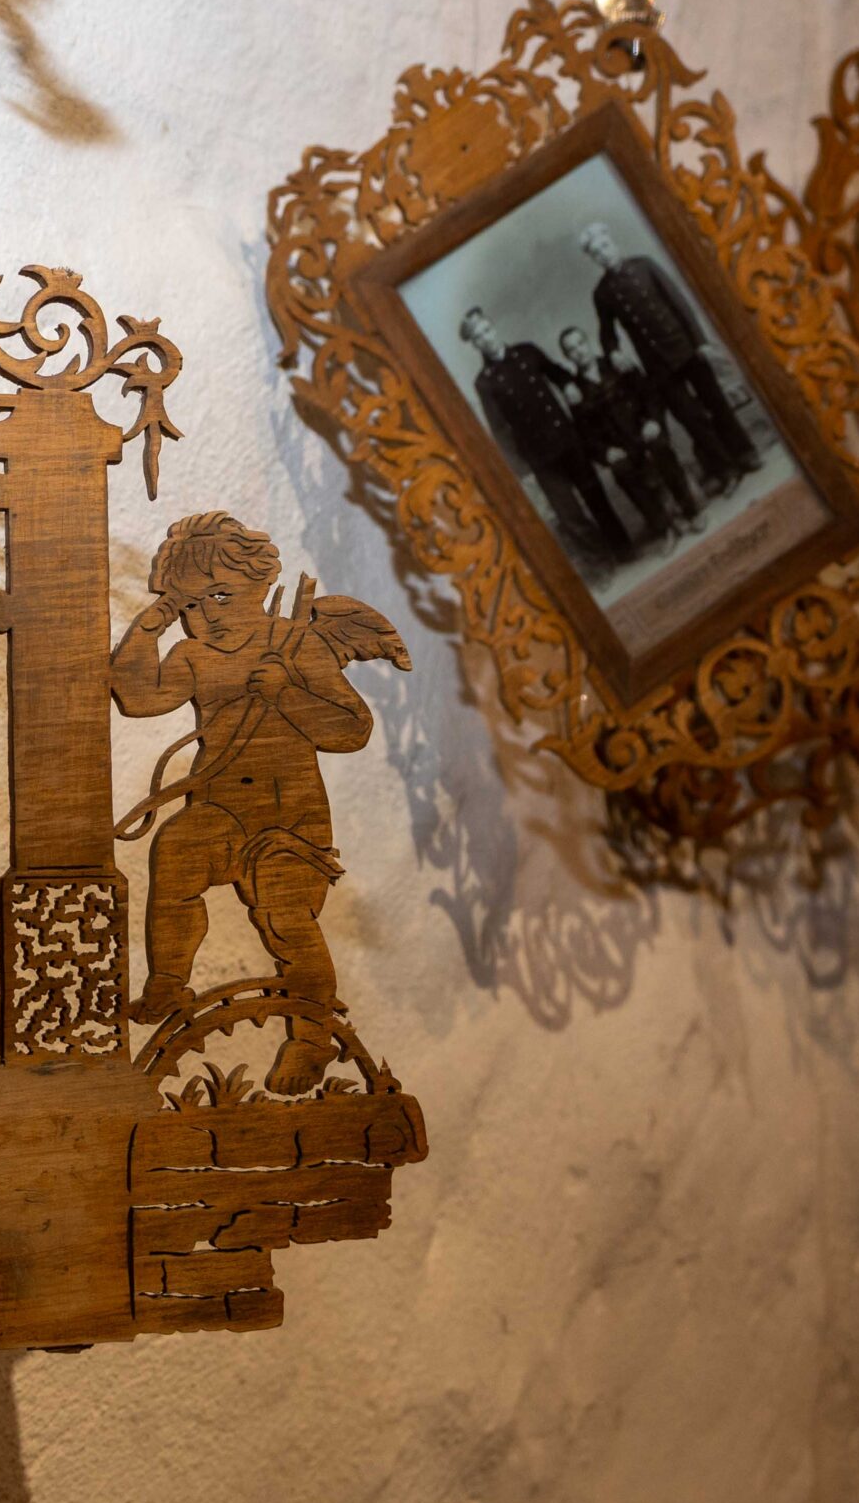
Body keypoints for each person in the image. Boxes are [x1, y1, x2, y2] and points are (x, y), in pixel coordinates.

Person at [110, 514, 400, 1095]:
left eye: (222, 596)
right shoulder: (194, 656)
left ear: (260, 585)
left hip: (289, 821)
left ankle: (312, 1038)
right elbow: (138, 697)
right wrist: (148, 627)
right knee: (175, 852)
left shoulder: (297, 645)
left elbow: (352, 728)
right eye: (191, 604)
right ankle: (168, 982)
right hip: (221, 810)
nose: (208, 615)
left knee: (287, 918)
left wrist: (287, 693)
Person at [579, 221, 762, 492]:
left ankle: (745, 453)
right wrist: (613, 351)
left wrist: (700, 342)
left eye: (604, 246)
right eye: (596, 252)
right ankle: (726, 469)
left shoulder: (645, 265)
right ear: (593, 259)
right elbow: (606, 333)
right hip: (656, 364)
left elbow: (680, 304)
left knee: (716, 403)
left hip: (686, 347)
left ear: (613, 242)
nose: (603, 254)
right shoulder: (602, 293)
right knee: (691, 419)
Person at [459, 306, 632, 556]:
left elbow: (556, 372)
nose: (486, 337)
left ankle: (624, 550)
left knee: (596, 498)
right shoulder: (484, 382)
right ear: (475, 344)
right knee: (569, 515)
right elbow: (499, 429)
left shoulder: (527, 352)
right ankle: (603, 560)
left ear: (493, 327)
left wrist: (567, 384)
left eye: (487, 329)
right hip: (539, 457)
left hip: (566, 439)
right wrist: (521, 470)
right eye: (478, 336)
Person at [554, 324, 701, 548]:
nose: (579, 352)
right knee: (622, 470)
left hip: (643, 430)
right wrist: (606, 452)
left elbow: (650, 394)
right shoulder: (576, 392)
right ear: (567, 357)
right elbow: (585, 435)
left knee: (660, 448)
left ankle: (691, 511)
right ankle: (665, 528)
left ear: (588, 342)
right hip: (620, 446)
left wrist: (653, 421)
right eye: (571, 350)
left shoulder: (616, 364)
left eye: (580, 344)